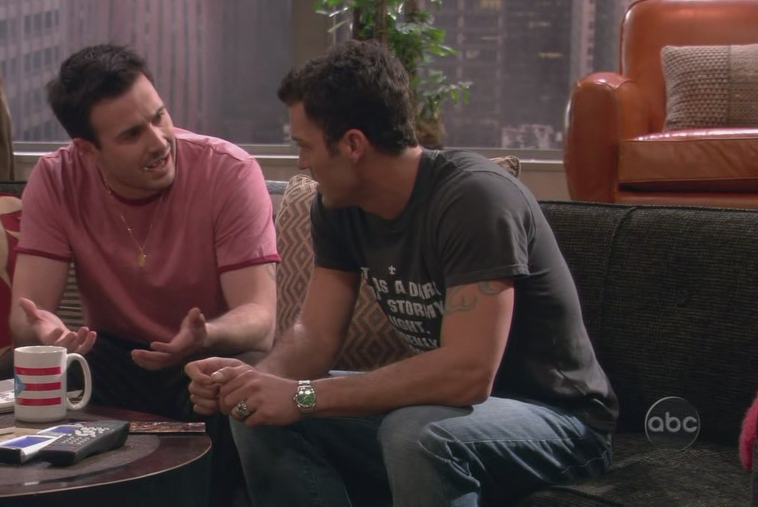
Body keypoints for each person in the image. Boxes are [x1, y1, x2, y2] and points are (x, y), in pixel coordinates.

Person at [185, 39, 619, 507]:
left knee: (415, 434)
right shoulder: (338, 207)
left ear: (353, 145)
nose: (301, 163)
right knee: (256, 416)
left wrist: (304, 396)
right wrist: (258, 382)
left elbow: (469, 373)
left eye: (305, 146)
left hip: (559, 422)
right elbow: (315, 338)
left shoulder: (474, 199)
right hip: (451, 413)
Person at [10, 43, 280, 506]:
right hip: (114, 356)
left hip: (203, 358)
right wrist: (47, 333)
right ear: (87, 149)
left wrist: (206, 335)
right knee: (20, 370)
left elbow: (260, 319)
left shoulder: (229, 171)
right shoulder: (56, 178)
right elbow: (26, 316)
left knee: (235, 382)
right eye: (133, 134)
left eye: (159, 117)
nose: (159, 142)